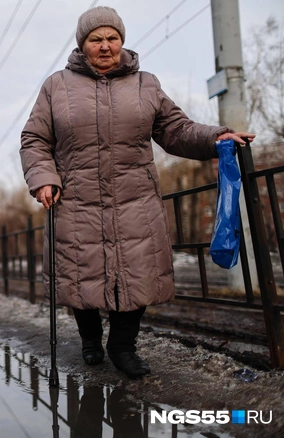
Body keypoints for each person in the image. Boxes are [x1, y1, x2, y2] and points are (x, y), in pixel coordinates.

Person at [19, 6, 255, 379]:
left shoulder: (146, 84)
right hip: (77, 202)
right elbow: (34, 139)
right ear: (82, 45)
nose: (105, 45)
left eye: (112, 37)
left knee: (138, 272)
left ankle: (122, 346)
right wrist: (44, 177)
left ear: (122, 41)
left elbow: (176, 130)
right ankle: (91, 339)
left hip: (135, 201)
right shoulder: (56, 87)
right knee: (82, 274)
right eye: (96, 39)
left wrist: (216, 137)